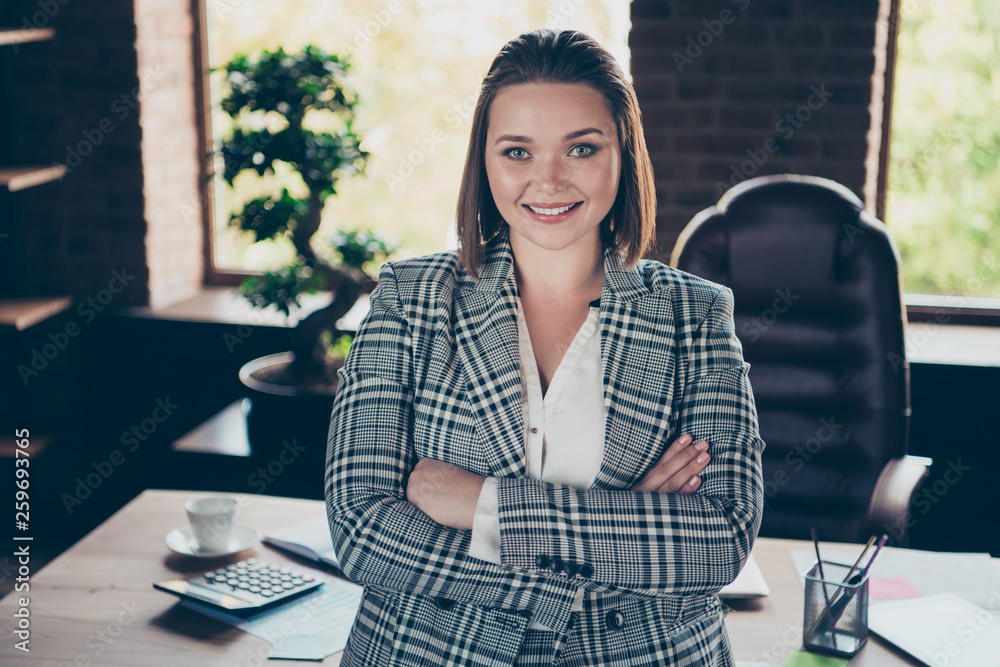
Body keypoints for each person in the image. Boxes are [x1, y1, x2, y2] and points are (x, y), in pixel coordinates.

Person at [325, 29, 765, 667]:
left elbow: (720, 540)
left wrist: (488, 507)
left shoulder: (695, 314)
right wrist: (625, 523)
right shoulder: (410, 297)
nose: (549, 181)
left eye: (581, 148)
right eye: (517, 152)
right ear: (485, 162)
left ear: (624, 154)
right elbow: (363, 532)